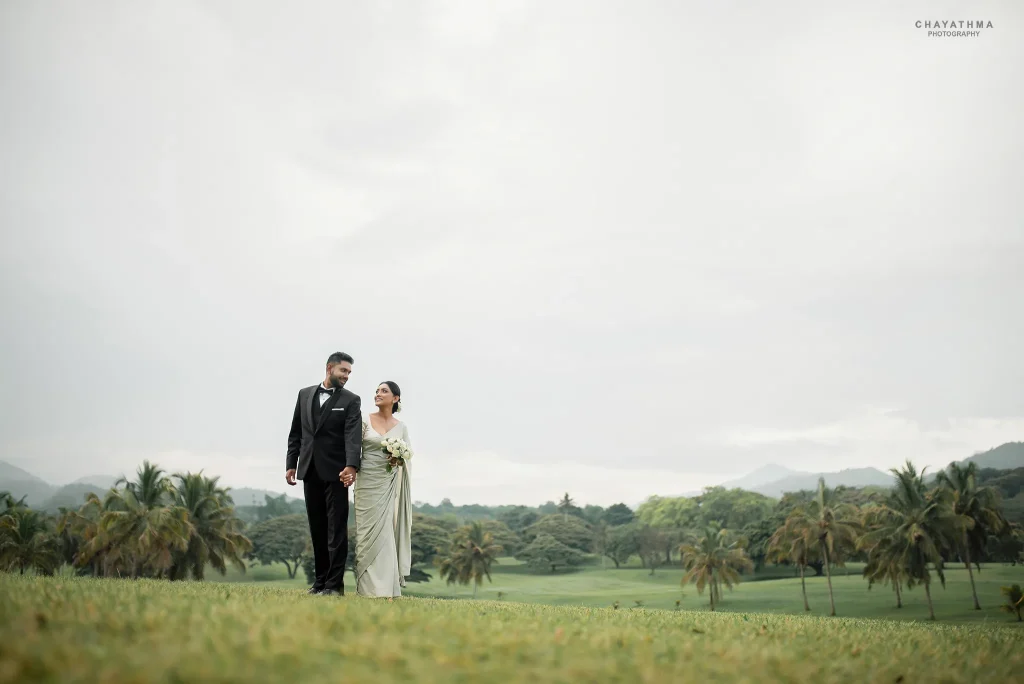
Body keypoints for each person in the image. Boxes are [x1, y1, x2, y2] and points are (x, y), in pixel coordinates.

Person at [285, 352, 362, 596]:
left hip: (337, 472)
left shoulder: (351, 400)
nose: (347, 376)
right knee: (317, 529)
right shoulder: (304, 394)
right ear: (330, 368)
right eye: (343, 371)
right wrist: (291, 463)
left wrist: (351, 465)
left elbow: (352, 435)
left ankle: (334, 586)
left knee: (336, 531)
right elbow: (296, 432)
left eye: (349, 372)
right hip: (309, 469)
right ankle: (319, 583)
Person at [353, 380, 413, 598]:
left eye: (384, 391)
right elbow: (353, 448)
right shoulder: (364, 419)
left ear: (395, 398)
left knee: (386, 533)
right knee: (365, 534)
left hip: (388, 485)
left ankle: (387, 589)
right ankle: (367, 589)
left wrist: (398, 459)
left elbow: (407, 456)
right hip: (366, 482)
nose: (378, 394)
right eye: (377, 391)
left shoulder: (401, 427)